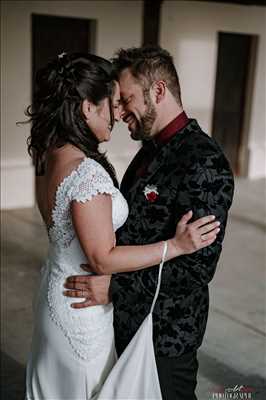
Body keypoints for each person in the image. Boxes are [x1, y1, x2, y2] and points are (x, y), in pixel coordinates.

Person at [24, 52, 220, 399]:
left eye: (125, 100)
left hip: (163, 334)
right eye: (114, 102)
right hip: (103, 315)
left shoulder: (204, 162)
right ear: (87, 108)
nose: (119, 112)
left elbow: (195, 269)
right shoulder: (138, 153)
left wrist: (116, 289)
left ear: (157, 91)